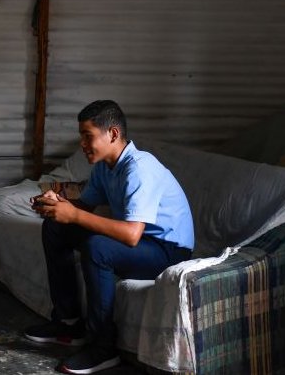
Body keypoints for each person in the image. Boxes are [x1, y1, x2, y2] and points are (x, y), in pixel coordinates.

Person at [24, 100, 194, 374]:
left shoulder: (139, 168)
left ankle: (103, 348)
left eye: (87, 136)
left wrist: (75, 216)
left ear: (112, 134)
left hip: (168, 251)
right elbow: (83, 209)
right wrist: (57, 204)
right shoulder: (105, 166)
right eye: (81, 136)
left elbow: (130, 235)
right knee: (56, 227)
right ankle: (68, 323)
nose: (82, 143)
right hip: (142, 242)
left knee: (98, 247)